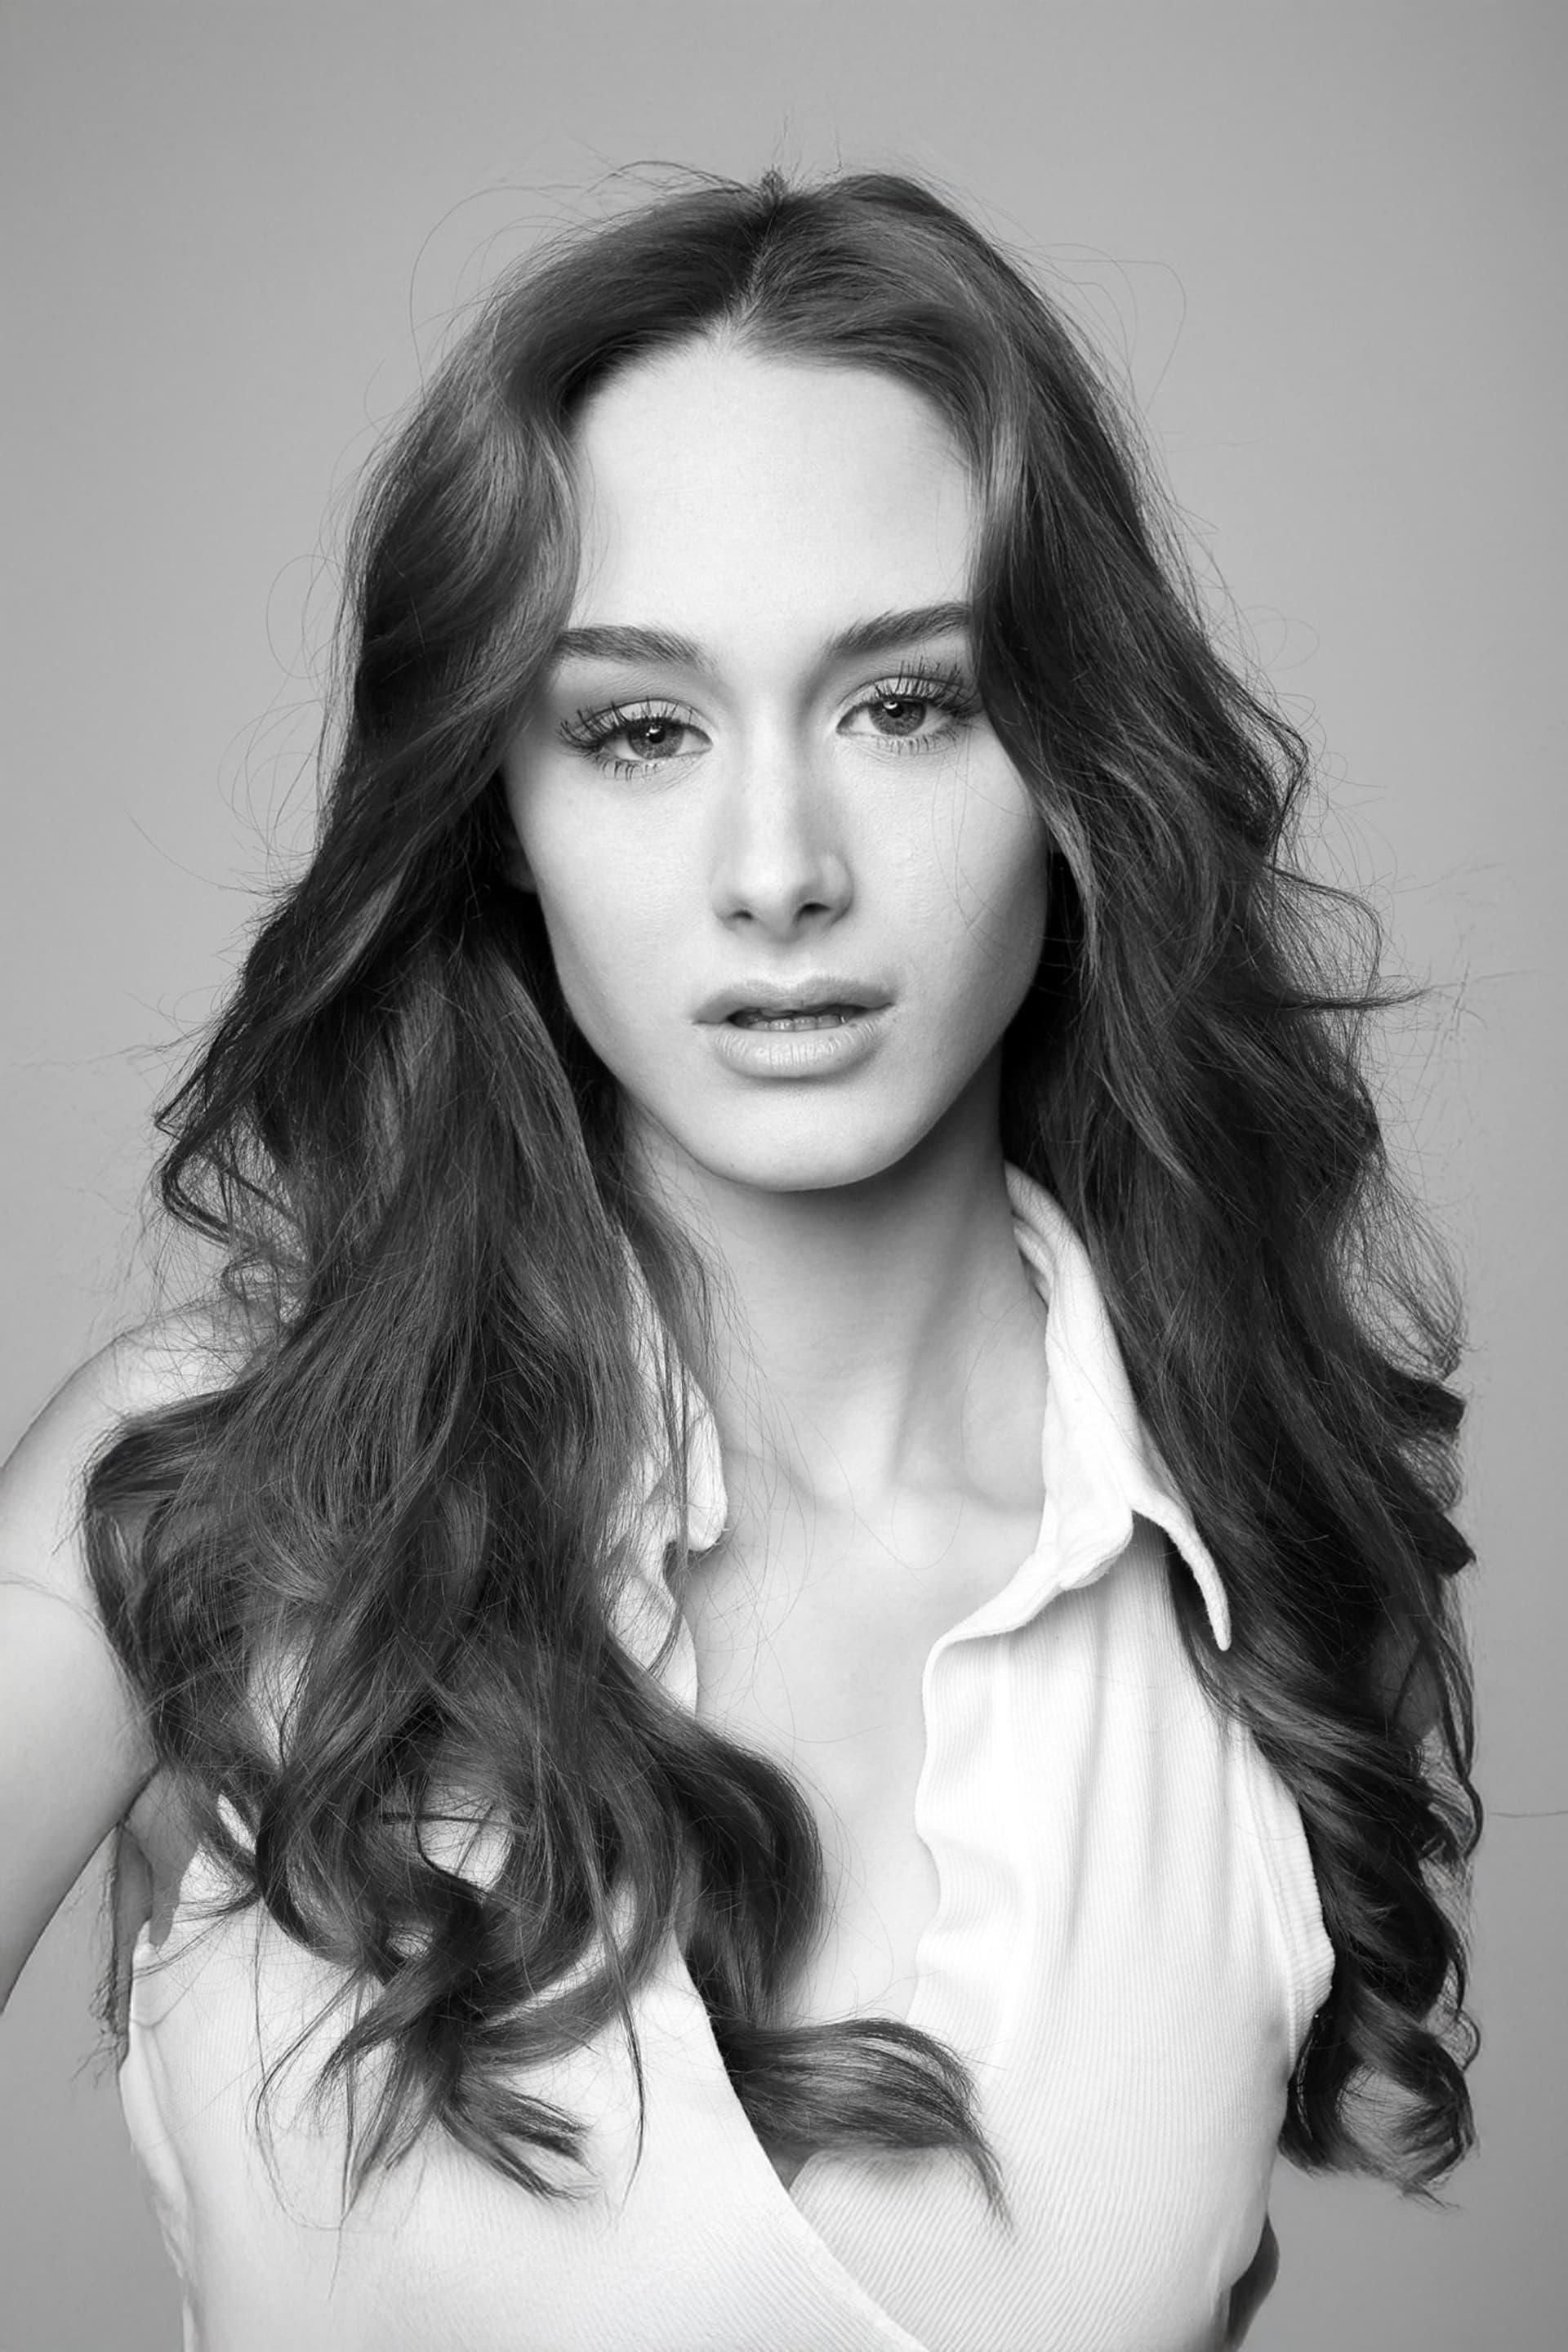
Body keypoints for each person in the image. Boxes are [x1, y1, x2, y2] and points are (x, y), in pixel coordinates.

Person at [0, 164, 1479, 2351]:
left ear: (1077, 767)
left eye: (908, 705)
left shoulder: (1260, 1579)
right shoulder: (211, 1498)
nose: (778, 868)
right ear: (500, 813)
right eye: (640, 728)